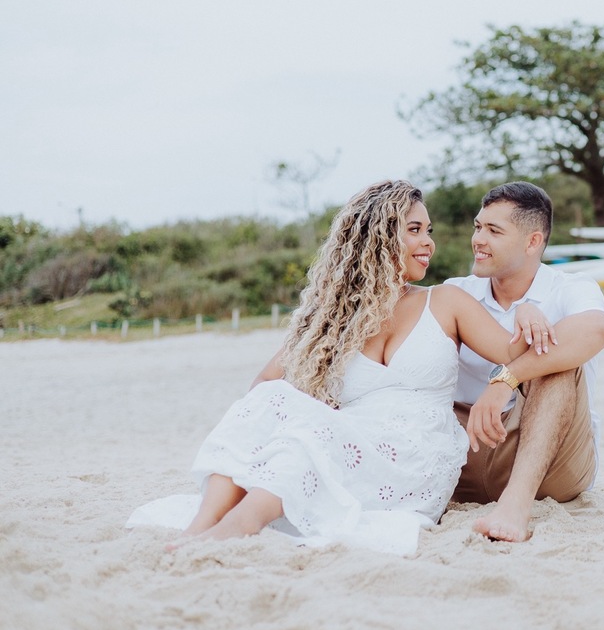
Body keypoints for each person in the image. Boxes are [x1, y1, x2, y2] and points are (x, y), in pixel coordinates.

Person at [129, 180, 549, 556]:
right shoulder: (333, 318)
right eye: (414, 230)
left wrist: (526, 310)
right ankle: (203, 523)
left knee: (311, 438)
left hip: (416, 456)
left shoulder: (444, 302)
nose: (428, 243)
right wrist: (313, 410)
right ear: (379, 238)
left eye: (429, 231)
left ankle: (240, 524)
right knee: (274, 401)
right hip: (350, 438)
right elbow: (265, 385)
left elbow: (517, 351)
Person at [446, 182, 604, 543]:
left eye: (494, 231)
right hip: (467, 449)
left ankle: (515, 506)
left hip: (550, 462)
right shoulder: (457, 291)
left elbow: (597, 330)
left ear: (532, 241)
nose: (478, 239)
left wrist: (505, 379)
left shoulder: (570, 287)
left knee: (557, 360)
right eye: (478, 227)